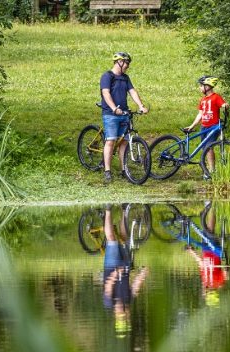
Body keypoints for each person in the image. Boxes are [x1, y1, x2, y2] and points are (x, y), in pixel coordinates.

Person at [100, 52, 149, 183]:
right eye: (126, 63)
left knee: (124, 142)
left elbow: (132, 91)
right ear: (119, 62)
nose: (127, 66)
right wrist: (114, 108)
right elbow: (106, 93)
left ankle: (123, 170)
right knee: (110, 141)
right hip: (111, 114)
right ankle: (107, 171)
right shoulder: (107, 76)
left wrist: (141, 106)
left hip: (124, 113)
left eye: (128, 63)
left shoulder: (125, 78)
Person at [102, 205, 148, 336]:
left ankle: (108, 209)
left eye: (121, 315)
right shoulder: (128, 300)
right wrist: (142, 275)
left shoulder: (109, 302)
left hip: (112, 265)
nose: (123, 311)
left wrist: (116, 273)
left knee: (111, 239)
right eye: (126, 315)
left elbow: (109, 285)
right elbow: (135, 286)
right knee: (124, 237)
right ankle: (124, 210)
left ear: (117, 316)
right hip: (126, 265)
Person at [183, 76, 228, 180]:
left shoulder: (216, 97)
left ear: (207, 86)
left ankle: (211, 171)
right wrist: (192, 125)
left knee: (209, 147)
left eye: (201, 86)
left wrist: (225, 105)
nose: (200, 88)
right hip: (204, 127)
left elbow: (223, 104)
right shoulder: (203, 100)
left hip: (213, 127)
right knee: (205, 149)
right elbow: (200, 114)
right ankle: (208, 170)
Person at [184, 202, 228, 306]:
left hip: (207, 249)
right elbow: (226, 271)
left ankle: (209, 207)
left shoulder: (207, 281)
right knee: (209, 229)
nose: (203, 293)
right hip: (213, 249)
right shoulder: (217, 282)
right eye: (205, 294)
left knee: (207, 229)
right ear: (209, 293)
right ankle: (211, 206)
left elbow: (201, 264)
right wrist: (225, 272)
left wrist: (192, 252)